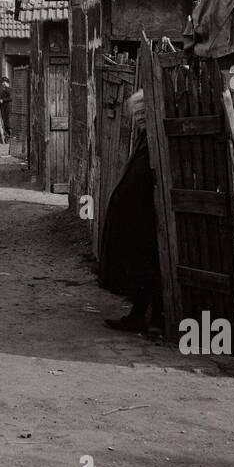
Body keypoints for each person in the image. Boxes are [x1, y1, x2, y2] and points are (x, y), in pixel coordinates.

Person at [99, 129, 163, 336]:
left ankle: (155, 319)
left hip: (149, 215)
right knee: (143, 266)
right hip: (139, 216)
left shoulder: (155, 140)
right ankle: (140, 316)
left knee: (150, 266)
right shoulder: (145, 138)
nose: (140, 120)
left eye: (142, 114)